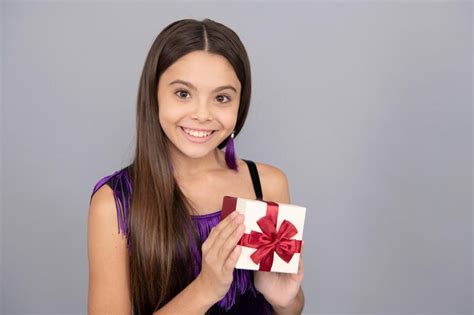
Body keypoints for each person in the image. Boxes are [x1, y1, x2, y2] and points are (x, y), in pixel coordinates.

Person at [87, 18, 305, 315]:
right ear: (154, 95)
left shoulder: (267, 184)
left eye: (221, 98)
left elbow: (289, 309)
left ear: (240, 104)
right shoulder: (113, 204)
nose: (202, 114)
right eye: (183, 93)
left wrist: (286, 300)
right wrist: (206, 288)